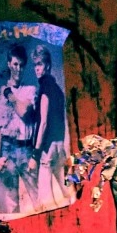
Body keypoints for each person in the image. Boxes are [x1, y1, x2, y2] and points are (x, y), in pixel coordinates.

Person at [0, 43, 38, 217]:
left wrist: (9, 95)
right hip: (7, 149)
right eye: (15, 64)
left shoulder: (30, 90)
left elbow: (24, 112)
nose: (18, 69)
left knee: (37, 199)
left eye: (22, 65)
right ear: (9, 64)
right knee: (12, 203)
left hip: (26, 149)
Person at [30, 44, 75, 209]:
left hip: (48, 148)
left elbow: (43, 122)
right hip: (59, 145)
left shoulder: (45, 88)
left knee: (46, 199)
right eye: (35, 64)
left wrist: (35, 154)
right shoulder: (57, 89)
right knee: (67, 192)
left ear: (47, 65)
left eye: (40, 64)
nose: (37, 68)